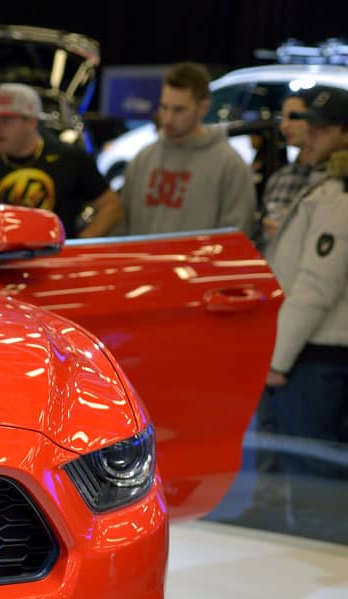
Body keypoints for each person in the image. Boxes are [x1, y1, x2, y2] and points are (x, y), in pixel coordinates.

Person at [264, 87, 348, 479]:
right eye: (308, 127)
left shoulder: (339, 199)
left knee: (313, 477)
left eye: (322, 130)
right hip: (311, 353)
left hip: (315, 357)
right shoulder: (326, 188)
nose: (309, 136)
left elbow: (317, 288)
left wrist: (278, 359)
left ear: (344, 136)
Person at [0, 83, 121, 241]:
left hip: (57, 266)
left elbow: (112, 207)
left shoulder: (70, 159)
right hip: (2, 266)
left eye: (6, 121)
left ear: (31, 122)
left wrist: (78, 247)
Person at [119, 62, 255, 237]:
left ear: (203, 108)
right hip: (146, 263)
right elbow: (122, 226)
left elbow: (236, 237)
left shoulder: (230, 166)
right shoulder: (143, 159)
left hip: (199, 265)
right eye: (164, 107)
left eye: (179, 110)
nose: (167, 119)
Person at [257, 93, 326, 250]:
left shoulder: (333, 181)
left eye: (294, 117)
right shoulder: (279, 178)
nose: (284, 126)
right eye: (283, 118)